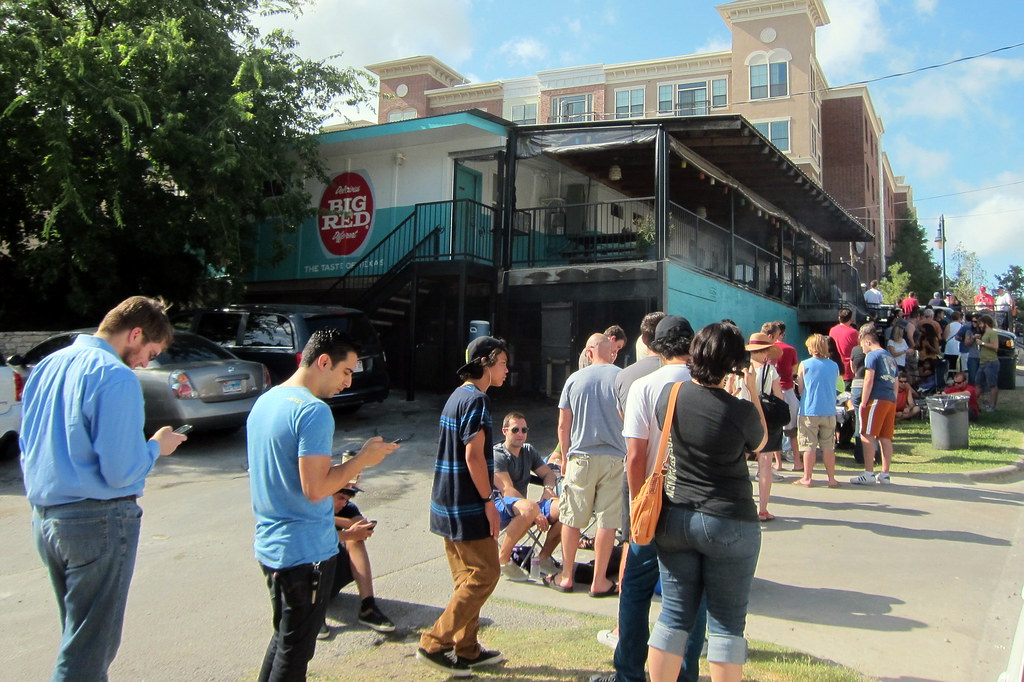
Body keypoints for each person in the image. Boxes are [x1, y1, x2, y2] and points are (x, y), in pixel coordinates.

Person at [19, 296, 186, 681]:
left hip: (46, 518)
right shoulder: (115, 375)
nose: (146, 362)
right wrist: (156, 446)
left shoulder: (47, 366)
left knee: (79, 636)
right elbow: (120, 470)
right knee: (89, 650)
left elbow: (29, 445)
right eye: (150, 352)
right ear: (136, 333)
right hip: (97, 518)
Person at [248, 329, 398, 681]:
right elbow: (315, 489)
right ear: (323, 361)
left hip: (272, 546)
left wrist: (340, 477)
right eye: (346, 372)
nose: (348, 382)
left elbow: (288, 478)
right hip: (304, 554)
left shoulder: (266, 401)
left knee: (286, 640)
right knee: (295, 652)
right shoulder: (313, 411)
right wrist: (362, 459)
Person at [645, 322, 766, 682]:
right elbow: (759, 443)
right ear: (733, 364)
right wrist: (751, 392)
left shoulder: (670, 395)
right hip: (729, 518)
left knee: (673, 615)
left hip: (676, 516)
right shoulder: (740, 411)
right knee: (727, 623)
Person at [591, 315, 703, 682]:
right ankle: (686, 673)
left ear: (655, 346)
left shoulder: (643, 384)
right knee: (690, 596)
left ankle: (628, 673)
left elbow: (635, 456)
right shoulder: (706, 384)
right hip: (695, 505)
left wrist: (639, 502)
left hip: (653, 505)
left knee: (636, 591)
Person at [417, 336, 509, 676]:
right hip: (466, 505)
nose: (507, 369)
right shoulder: (477, 401)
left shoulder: (457, 397)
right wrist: (489, 501)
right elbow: (473, 455)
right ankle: (435, 641)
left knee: (466, 580)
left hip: (445, 503)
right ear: (485, 362)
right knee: (486, 572)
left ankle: (467, 648)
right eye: (502, 363)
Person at [548, 333, 624, 596]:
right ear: (611, 351)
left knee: (572, 518)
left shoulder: (574, 379)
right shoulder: (621, 377)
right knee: (607, 521)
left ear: (589, 353)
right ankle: (599, 580)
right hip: (615, 458)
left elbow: (562, 425)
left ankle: (567, 575)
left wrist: (565, 456)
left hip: (581, 456)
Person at [321, 479, 396, 637]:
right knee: (320, 547)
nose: (344, 503)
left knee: (356, 539)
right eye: (340, 498)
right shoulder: (308, 509)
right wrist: (331, 519)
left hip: (332, 577)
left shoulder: (347, 508)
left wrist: (350, 530)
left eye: (347, 499)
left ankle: (368, 606)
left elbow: (361, 525)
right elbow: (312, 540)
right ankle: (312, 616)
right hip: (306, 583)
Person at [493, 412, 562, 580]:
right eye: (515, 430)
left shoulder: (528, 450)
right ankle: (503, 559)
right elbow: (507, 490)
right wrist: (535, 512)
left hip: (526, 508)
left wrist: (548, 489)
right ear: (505, 431)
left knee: (567, 508)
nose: (520, 434)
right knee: (530, 508)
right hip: (501, 505)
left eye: (524, 430)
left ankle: (543, 558)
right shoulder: (498, 455)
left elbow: (549, 474)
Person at [731, 332, 784, 519]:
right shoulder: (771, 371)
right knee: (765, 464)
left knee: (739, 461)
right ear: (766, 351)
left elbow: (732, 392)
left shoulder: (738, 369)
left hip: (741, 416)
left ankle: (737, 503)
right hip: (765, 418)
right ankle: (763, 508)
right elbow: (779, 396)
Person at [850, 324, 898, 485]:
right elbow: (896, 382)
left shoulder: (872, 356)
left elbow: (868, 379)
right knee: (885, 437)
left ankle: (869, 472)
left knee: (866, 433)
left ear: (867, 341)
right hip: (890, 398)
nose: (861, 348)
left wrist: (863, 401)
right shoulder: (889, 356)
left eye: (862, 343)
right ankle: (885, 473)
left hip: (876, 398)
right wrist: (894, 399)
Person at [794, 334, 841, 487]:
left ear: (812, 348)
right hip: (829, 409)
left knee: (808, 445)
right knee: (828, 445)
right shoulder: (834, 366)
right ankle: (831, 478)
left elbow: (801, 388)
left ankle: (807, 477)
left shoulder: (805, 364)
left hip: (809, 409)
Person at [762, 321, 799, 469]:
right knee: (792, 430)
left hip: (770, 391)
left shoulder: (765, 350)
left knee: (774, 429)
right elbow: (794, 370)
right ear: (781, 334)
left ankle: (778, 463)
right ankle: (797, 461)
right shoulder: (790, 350)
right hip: (787, 389)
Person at [975, 314, 1001, 412]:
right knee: (977, 383)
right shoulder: (984, 333)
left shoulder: (992, 333)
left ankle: (993, 406)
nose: (980, 326)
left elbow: (995, 346)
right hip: (983, 362)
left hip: (991, 362)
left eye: (981, 323)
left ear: (986, 323)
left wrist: (982, 343)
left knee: (992, 385)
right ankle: (973, 404)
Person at [829, 308, 859, 391]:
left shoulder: (832, 330)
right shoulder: (854, 332)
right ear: (851, 319)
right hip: (849, 369)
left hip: (835, 367)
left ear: (839, 318)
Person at [944, 311, 964, 378]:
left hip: (949, 347)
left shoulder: (949, 325)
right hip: (958, 348)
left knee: (949, 364)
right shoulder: (962, 326)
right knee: (958, 365)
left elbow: (945, 337)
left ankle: (949, 377)